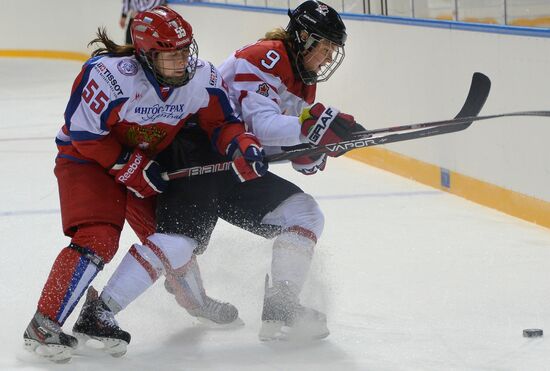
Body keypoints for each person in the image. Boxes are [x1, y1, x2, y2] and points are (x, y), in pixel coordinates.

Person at [70, 0, 363, 351]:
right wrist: (310, 129)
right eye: (325, 47)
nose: (328, 58)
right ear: (303, 37)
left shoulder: (302, 79)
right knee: (180, 242)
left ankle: (281, 305)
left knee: (303, 212)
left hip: (234, 166)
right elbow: (260, 124)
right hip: (196, 152)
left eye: (333, 51)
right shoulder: (265, 57)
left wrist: (316, 148)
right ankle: (100, 311)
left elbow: (289, 148)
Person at [23, 6, 266, 363]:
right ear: (147, 55)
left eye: (186, 50)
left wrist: (241, 144)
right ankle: (44, 324)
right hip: (87, 161)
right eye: (171, 54)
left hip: (145, 164)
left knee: (172, 236)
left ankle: (197, 302)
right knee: (98, 238)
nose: (183, 60)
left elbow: (223, 123)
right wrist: (130, 165)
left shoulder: (201, 78)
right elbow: (84, 133)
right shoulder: (110, 75)